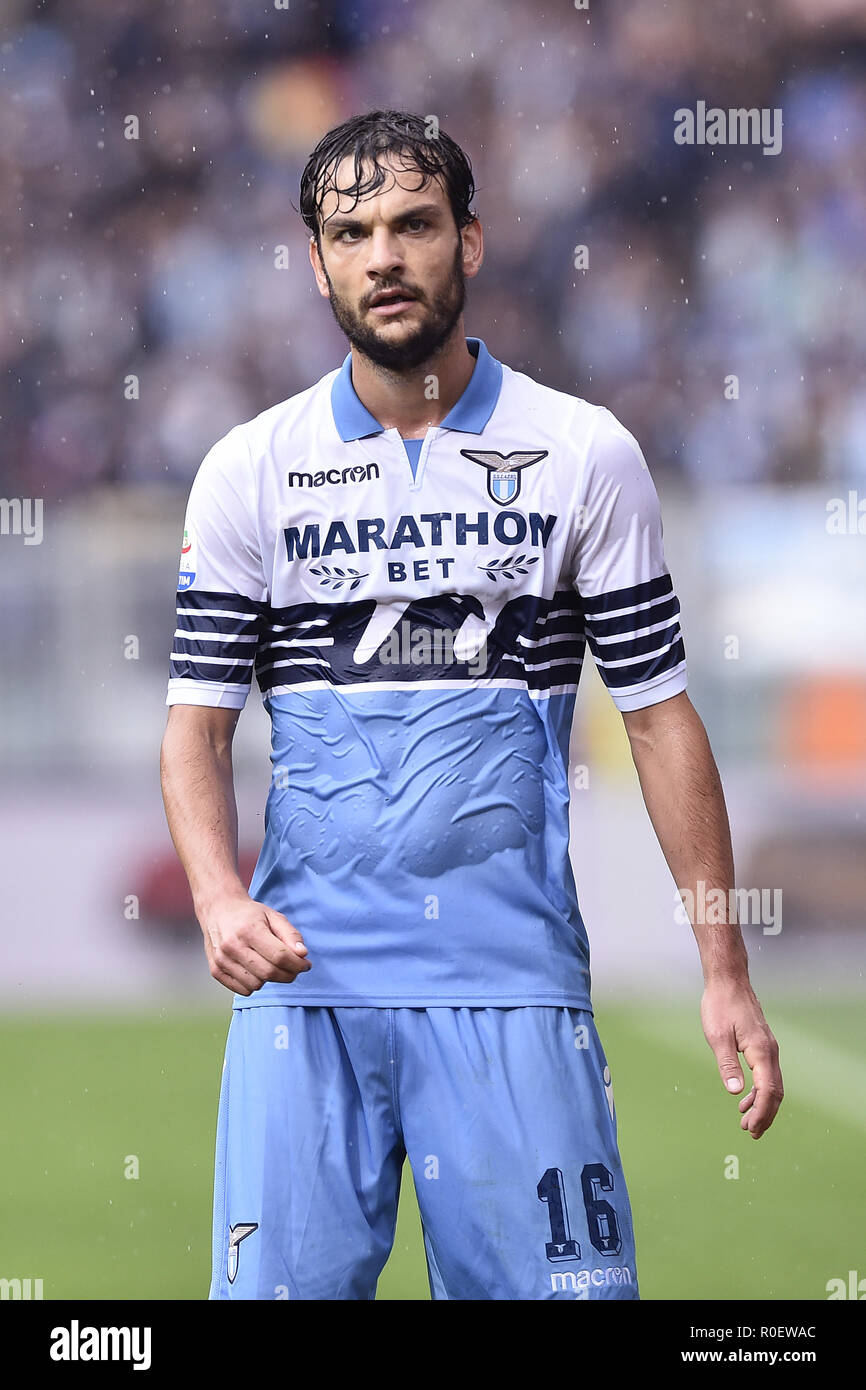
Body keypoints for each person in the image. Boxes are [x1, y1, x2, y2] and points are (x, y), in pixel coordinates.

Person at [160, 109, 783, 1301]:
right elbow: (197, 722)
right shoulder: (249, 465)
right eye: (351, 233)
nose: (382, 255)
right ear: (316, 261)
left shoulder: (582, 451)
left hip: (513, 988)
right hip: (308, 1000)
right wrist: (215, 894)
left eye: (412, 224)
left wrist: (720, 963)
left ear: (471, 241)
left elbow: (657, 715)